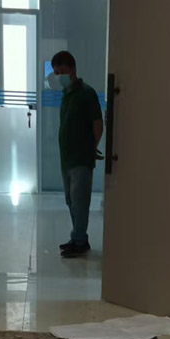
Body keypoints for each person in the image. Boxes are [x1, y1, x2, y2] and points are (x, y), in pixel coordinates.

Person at [51, 51, 104, 258]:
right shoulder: (66, 94)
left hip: (81, 158)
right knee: (71, 200)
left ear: (72, 69)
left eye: (62, 71)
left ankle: (80, 241)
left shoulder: (86, 93)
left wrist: (90, 146)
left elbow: (97, 125)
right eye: (56, 73)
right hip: (66, 158)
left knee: (80, 201)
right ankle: (78, 237)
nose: (59, 76)